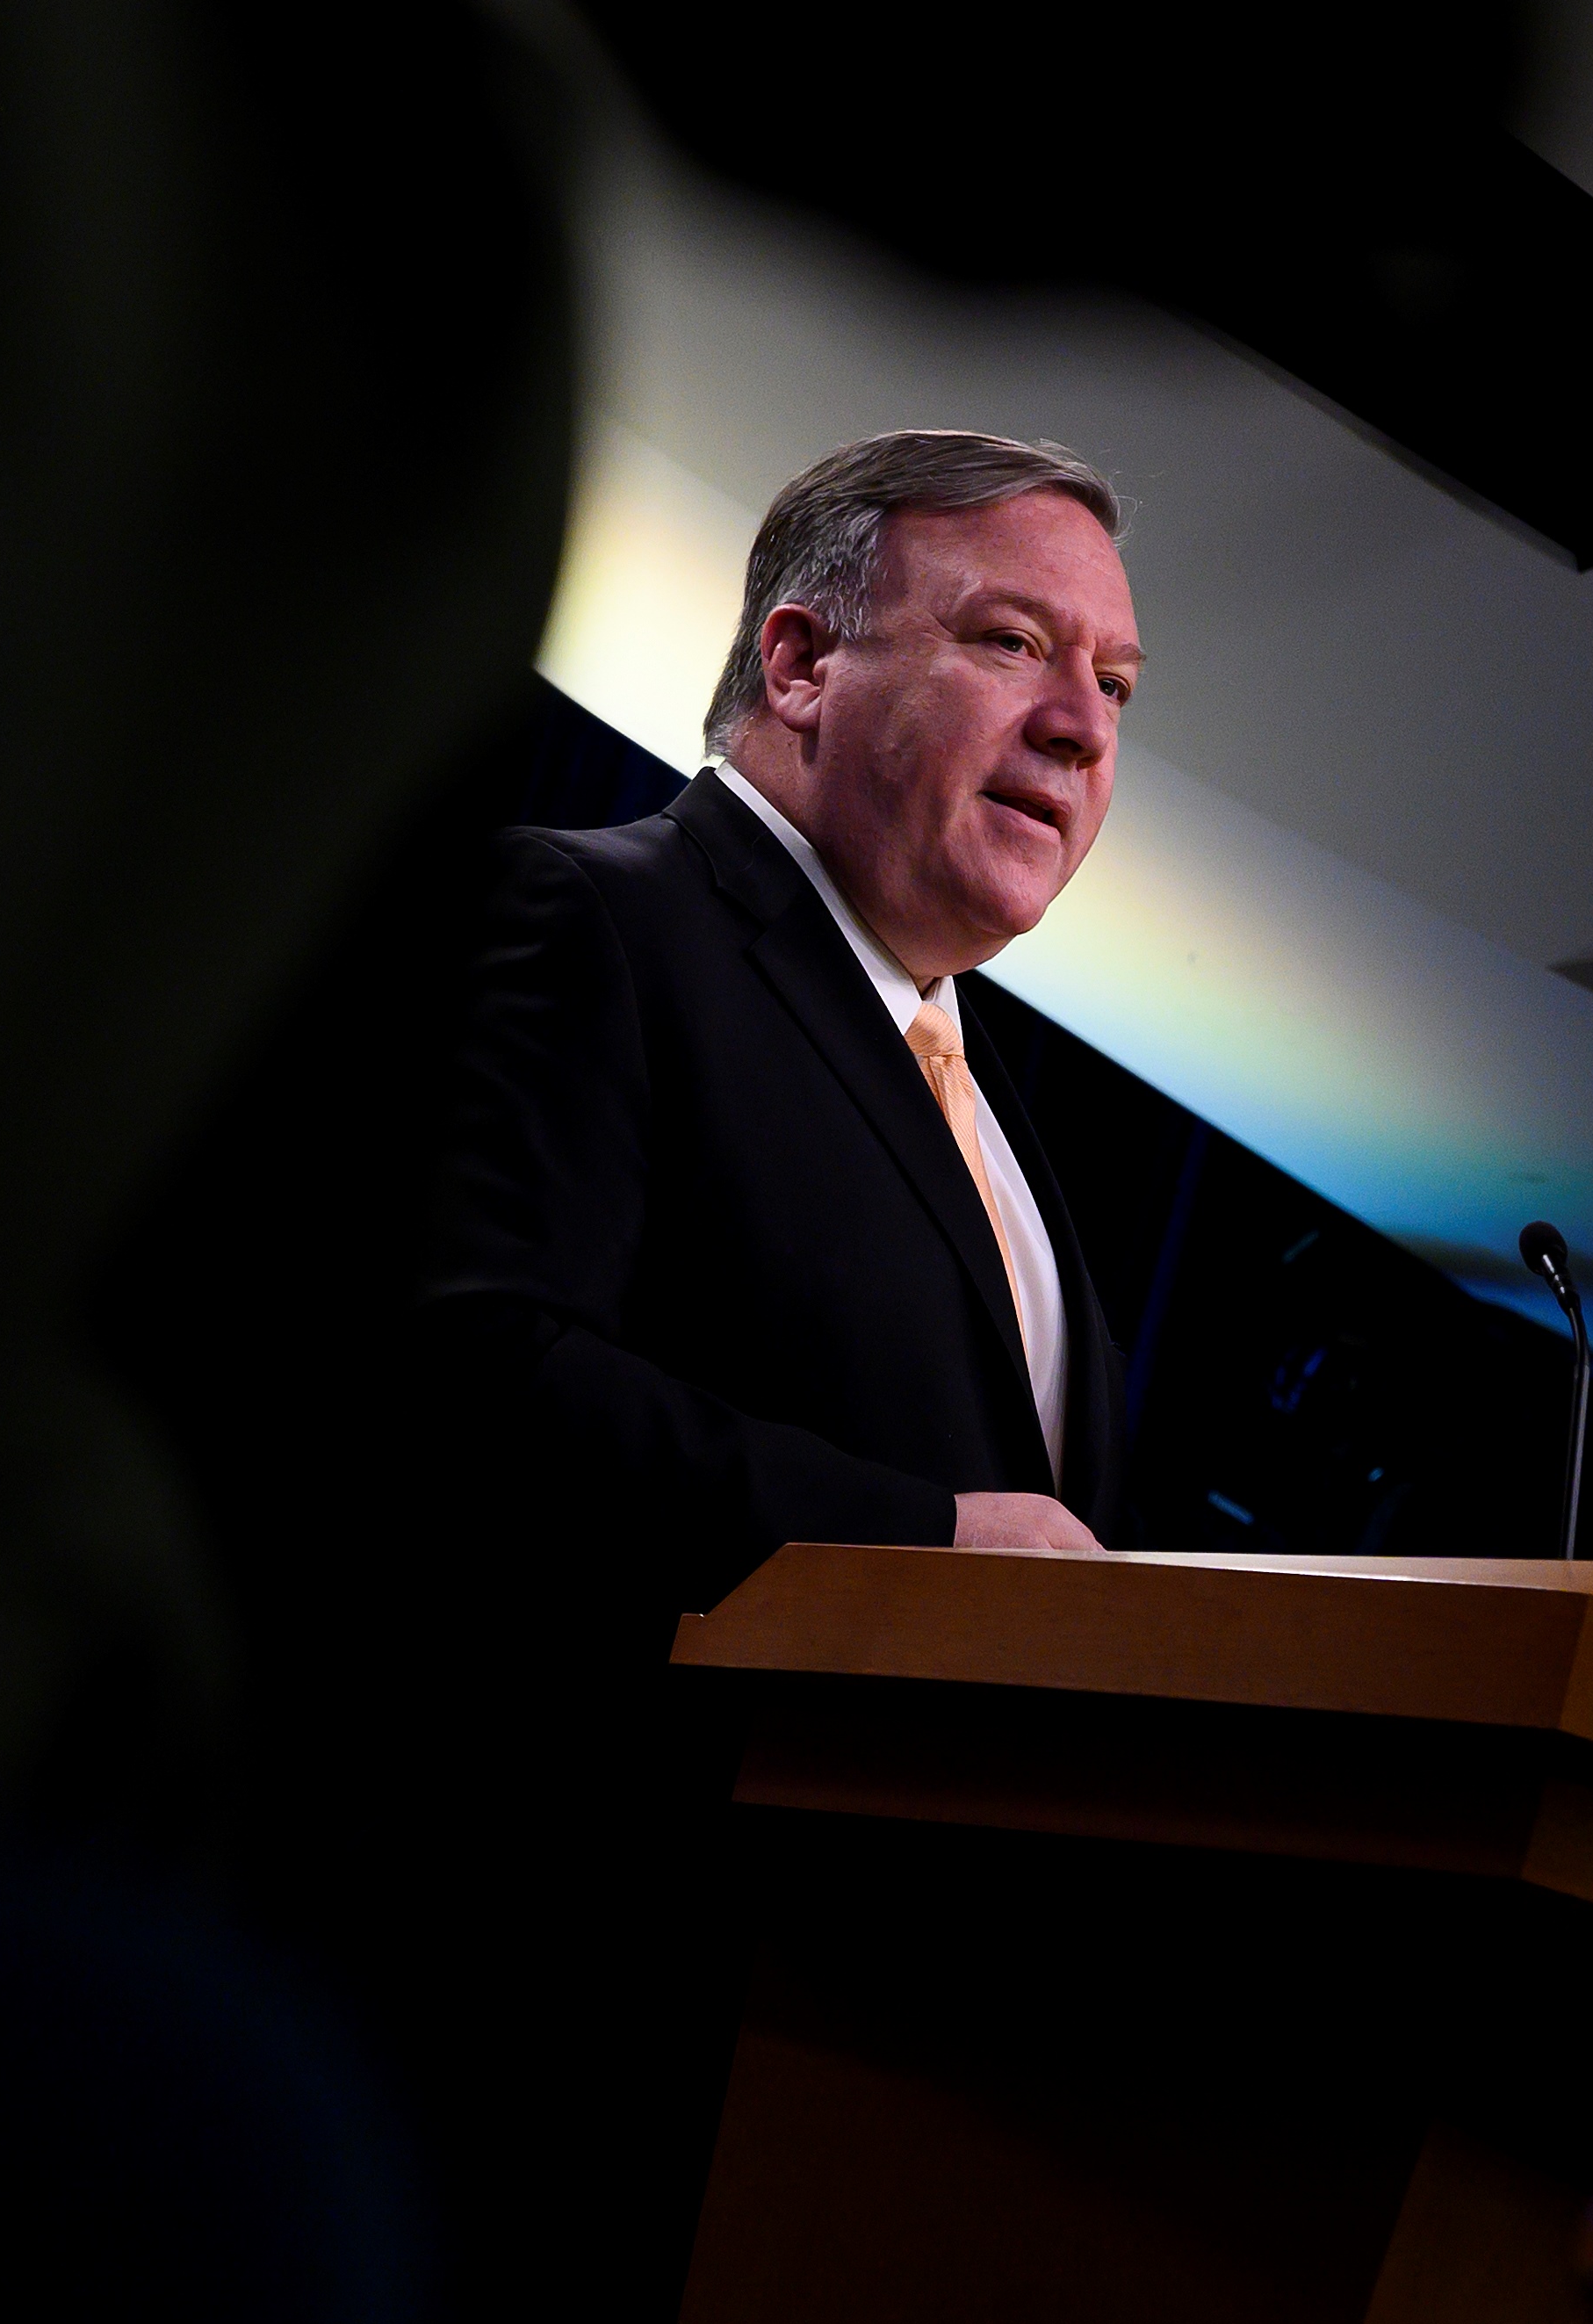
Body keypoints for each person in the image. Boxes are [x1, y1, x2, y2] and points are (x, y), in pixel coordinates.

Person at [431, 429, 1145, 1621]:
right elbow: (470, 1367)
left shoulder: (976, 1098)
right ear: (804, 663)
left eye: (1115, 683)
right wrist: (918, 1544)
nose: (1084, 724)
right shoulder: (593, 915)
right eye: (1013, 642)